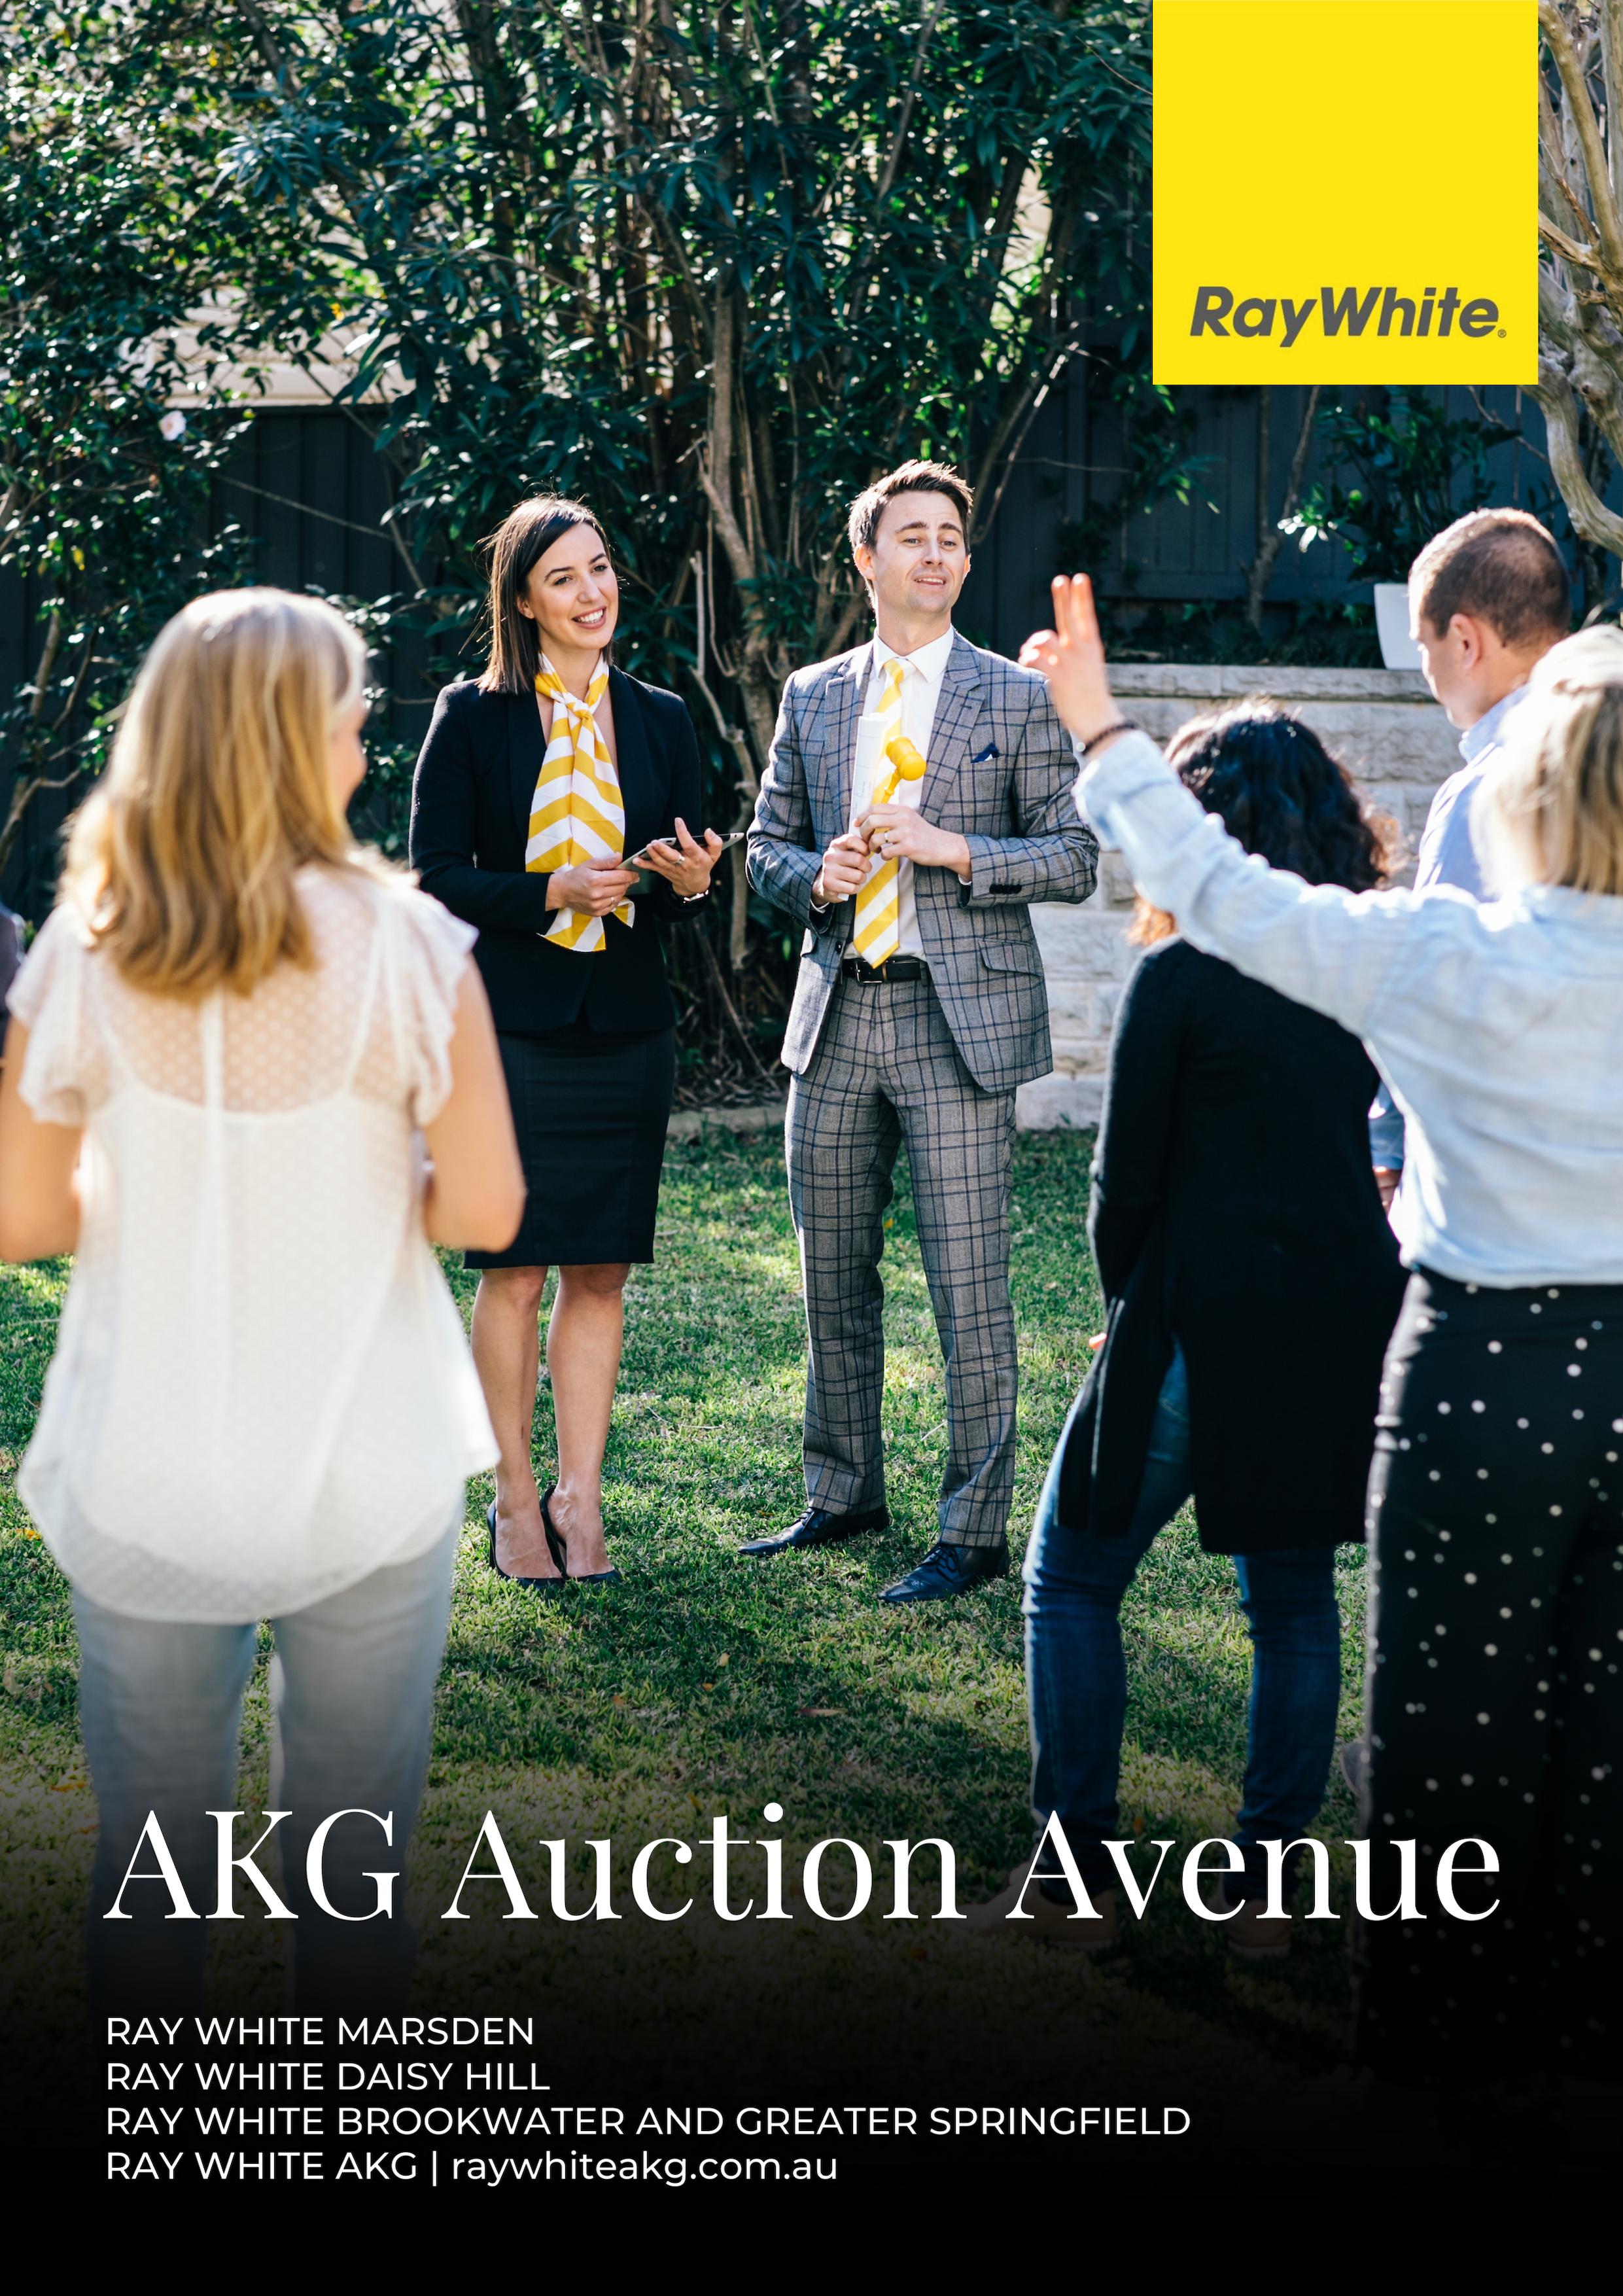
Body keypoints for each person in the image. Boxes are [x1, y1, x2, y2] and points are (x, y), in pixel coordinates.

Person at [1023, 570, 1623, 2110]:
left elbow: (1212, 926)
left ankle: (1408, 2050)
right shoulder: (1416, 952)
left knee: (1434, 1734)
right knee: (1573, 1729)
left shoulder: (1429, 951)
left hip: (1453, 1367)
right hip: (1448, 1344)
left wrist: (1098, 729)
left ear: (1535, 795)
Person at [0, 588, 523, 2017]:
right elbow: (485, 1211)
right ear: (293, 742)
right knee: (352, 1873)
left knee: (149, 1860)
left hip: (150, 1457)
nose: (364, 743)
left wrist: (167, 1182)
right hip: (367, 1452)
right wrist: (359, 1180)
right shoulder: (415, 946)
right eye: (350, 717)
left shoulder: (86, 948)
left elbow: (22, 1218)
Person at [969, 705, 1406, 1952]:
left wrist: (1127, 1313)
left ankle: (1073, 1884)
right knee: (1294, 1599)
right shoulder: (1365, 963)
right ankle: (1267, 1891)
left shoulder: (1179, 972)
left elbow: (1124, 1185)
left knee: (1070, 1572)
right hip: (1339, 1318)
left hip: (1193, 1317)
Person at [744, 461, 1098, 1604]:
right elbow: (763, 849)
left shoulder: (1014, 696)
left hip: (960, 1025)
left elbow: (1076, 855)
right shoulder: (813, 696)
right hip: (838, 1010)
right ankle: (843, 1492)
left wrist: (955, 850)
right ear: (868, 559)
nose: (936, 552)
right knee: (830, 1274)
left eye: (950, 535)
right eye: (912, 535)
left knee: (969, 1285)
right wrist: (817, 875)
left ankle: (974, 1530)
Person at [410, 497, 723, 1586]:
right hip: (509, 1033)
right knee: (513, 1271)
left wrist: (692, 881)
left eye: (600, 568)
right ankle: (512, 1497)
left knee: (601, 1272)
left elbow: (680, 884)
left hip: (628, 1029)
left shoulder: (661, 717)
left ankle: (577, 1499)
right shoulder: (471, 715)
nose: (593, 593)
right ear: (523, 601)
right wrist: (549, 890)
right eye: (564, 578)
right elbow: (435, 876)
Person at [1368, 510, 1569, 1211]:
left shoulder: (1484, 794)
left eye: (1422, 644)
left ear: (1463, 640)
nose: (1424, 668)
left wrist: (1386, 1148)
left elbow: (1432, 988)